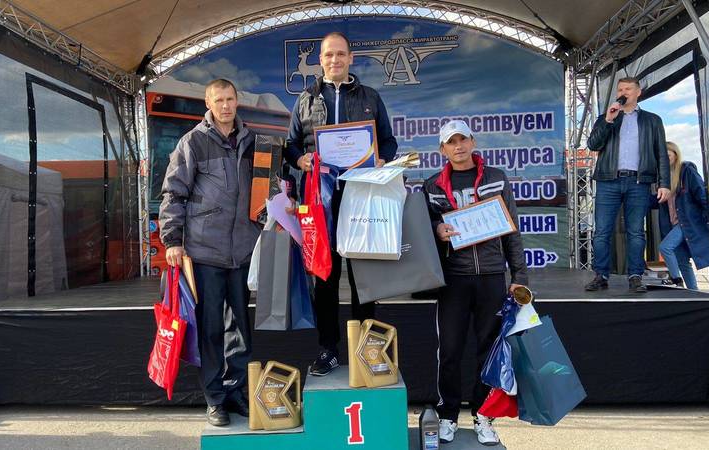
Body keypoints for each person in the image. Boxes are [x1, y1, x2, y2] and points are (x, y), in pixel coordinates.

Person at [284, 31, 398, 376]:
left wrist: (380, 159)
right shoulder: (305, 99)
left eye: (341, 54)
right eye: (329, 55)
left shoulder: (370, 96)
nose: (335, 60)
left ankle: (367, 348)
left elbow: (389, 142)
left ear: (351, 59)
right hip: (320, 202)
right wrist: (300, 161)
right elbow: (289, 146)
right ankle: (328, 349)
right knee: (326, 277)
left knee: (364, 275)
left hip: (360, 196)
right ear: (321, 60)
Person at [159, 79, 261, 427]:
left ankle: (237, 392)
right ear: (208, 102)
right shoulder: (194, 142)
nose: (226, 106)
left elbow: (269, 188)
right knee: (212, 328)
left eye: (230, 99)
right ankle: (215, 398)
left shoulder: (253, 141)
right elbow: (174, 193)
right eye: (219, 100)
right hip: (205, 252)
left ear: (238, 100)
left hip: (243, 252)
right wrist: (172, 241)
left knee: (241, 330)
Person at [422, 120, 528, 446]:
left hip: (492, 278)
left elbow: (511, 229)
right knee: (450, 351)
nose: (458, 146)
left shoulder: (497, 178)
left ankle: (484, 415)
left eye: (462, 139)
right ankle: (448, 416)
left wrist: (519, 277)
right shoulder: (431, 186)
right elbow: (424, 231)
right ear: (442, 149)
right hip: (453, 279)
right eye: (450, 142)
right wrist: (438, 231)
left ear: (473, 141)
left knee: (489, 351)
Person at [584, 76, 670, 293]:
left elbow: (661, 153)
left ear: (638, 92)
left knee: (636, 232)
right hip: (608, 180)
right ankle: (601, 275)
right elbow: (593, 144)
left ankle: (635, 275)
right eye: (620, 89)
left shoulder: (652, 120)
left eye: (628, 88)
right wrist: (608, 121)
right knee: (601, 231)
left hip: (638, 182)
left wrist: (664, 183)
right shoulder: (607, 117)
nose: (623, 92)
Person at [657, 142, 709, 289]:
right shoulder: (663, 177)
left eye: (667, 155)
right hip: (673, 224)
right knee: (683, 262)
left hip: (688, 222)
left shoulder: (686, 171)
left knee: (665, 247)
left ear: (675, 155)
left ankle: (676, 280)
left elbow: (701, 194)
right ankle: (694, 293)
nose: (664, 158)